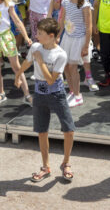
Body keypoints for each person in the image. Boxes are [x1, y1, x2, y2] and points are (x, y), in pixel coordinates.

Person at [14, 18, 75, 182]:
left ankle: (66, 163)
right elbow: (27, 62)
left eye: (40, 33)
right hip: (39, 95)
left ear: (51, 36)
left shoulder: (60, 54)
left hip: (57, 94)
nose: (36, 36)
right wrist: (18, 74)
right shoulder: (35, 46)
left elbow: (50, 80)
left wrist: (40, 61)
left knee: (68, 130)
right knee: (42, 131)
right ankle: (45, 166)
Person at [57, 0, 92, 108]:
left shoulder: (85, 5)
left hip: (79, 40)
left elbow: (88, 26)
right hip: (68, 38)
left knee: (72, 67)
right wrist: (58, 35)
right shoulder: (65, 1)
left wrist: (86, 45)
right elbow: (62, 20)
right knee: (65, 66)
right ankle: (72, 91)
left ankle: (78, 95)